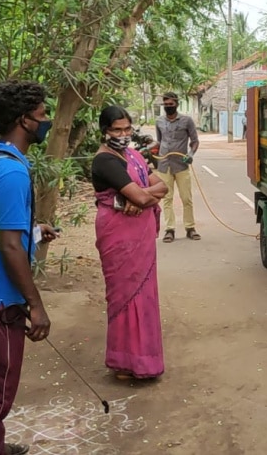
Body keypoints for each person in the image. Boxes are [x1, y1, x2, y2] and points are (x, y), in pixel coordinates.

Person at [0, 80, 58, 455]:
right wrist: (36, 304)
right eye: (43, 114)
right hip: (1, 303)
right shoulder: (12, 173)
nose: (47, 120)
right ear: (25, 120)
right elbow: (9, 245)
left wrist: (33, 231)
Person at [91, 105, 168, 380]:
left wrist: (136, 197)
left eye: (127, 129)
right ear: (104, 131)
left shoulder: (133, 155)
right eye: (116, 129)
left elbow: (162, 186)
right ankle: (124, 363)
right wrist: (139, 198)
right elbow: (147, 196)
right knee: (124, 295)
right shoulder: (106, 161)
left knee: (144, 293)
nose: (123, 134)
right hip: (119, 235)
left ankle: (145, 362)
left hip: (139, 232)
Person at [155, 92, 200, 243]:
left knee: (186, 198)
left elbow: (195, 141)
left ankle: (190, 228)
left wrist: (191, 153)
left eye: (171, 104)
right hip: (164, 165)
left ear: (176, 104)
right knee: (167, 198)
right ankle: (169, 229)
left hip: (181, 165)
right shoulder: (159, 121)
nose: (168, 107)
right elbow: (159, 142)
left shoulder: (187, 121)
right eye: (166, 105)